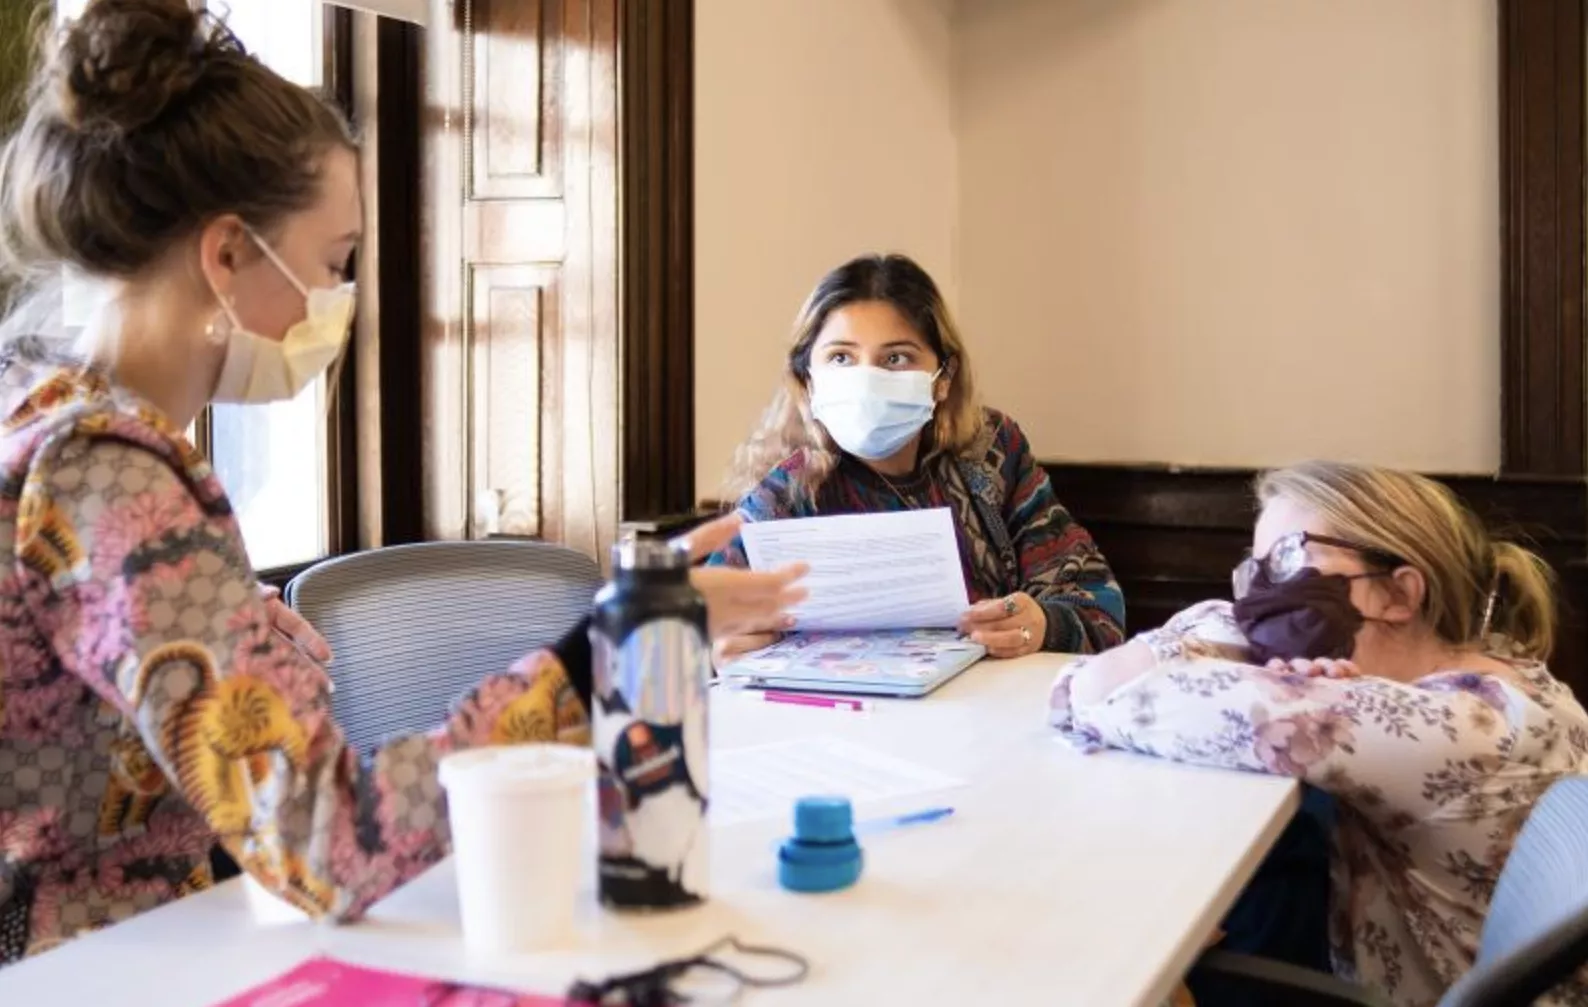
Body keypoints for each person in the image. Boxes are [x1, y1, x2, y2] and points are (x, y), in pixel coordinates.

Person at [0, 0, 803, 964]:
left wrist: (221, 615)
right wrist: (621, 645)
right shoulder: (112, 471)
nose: (342, 298)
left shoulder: (45, 414)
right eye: (335, 262)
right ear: (224, 254)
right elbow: (330, 841)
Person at [1049, 461, 1588, 1007]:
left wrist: (1224, 628)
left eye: (1286, 560)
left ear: (1399, 595)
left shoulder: (1446, 727)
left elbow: (1092, 691)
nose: (1258, 597)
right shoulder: (1492, 674)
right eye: (1252, 571)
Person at [710, 253, 1124, 664]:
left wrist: (1046, 624)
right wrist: (714, 652)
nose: (867, 380)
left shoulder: (992, 455)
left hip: (986, 714)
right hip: (841, 722)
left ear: (943, 378)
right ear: (807, 379)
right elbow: (685, 630)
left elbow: (1100, 609)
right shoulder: (785, 495)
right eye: (841, 357)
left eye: (896, 358)